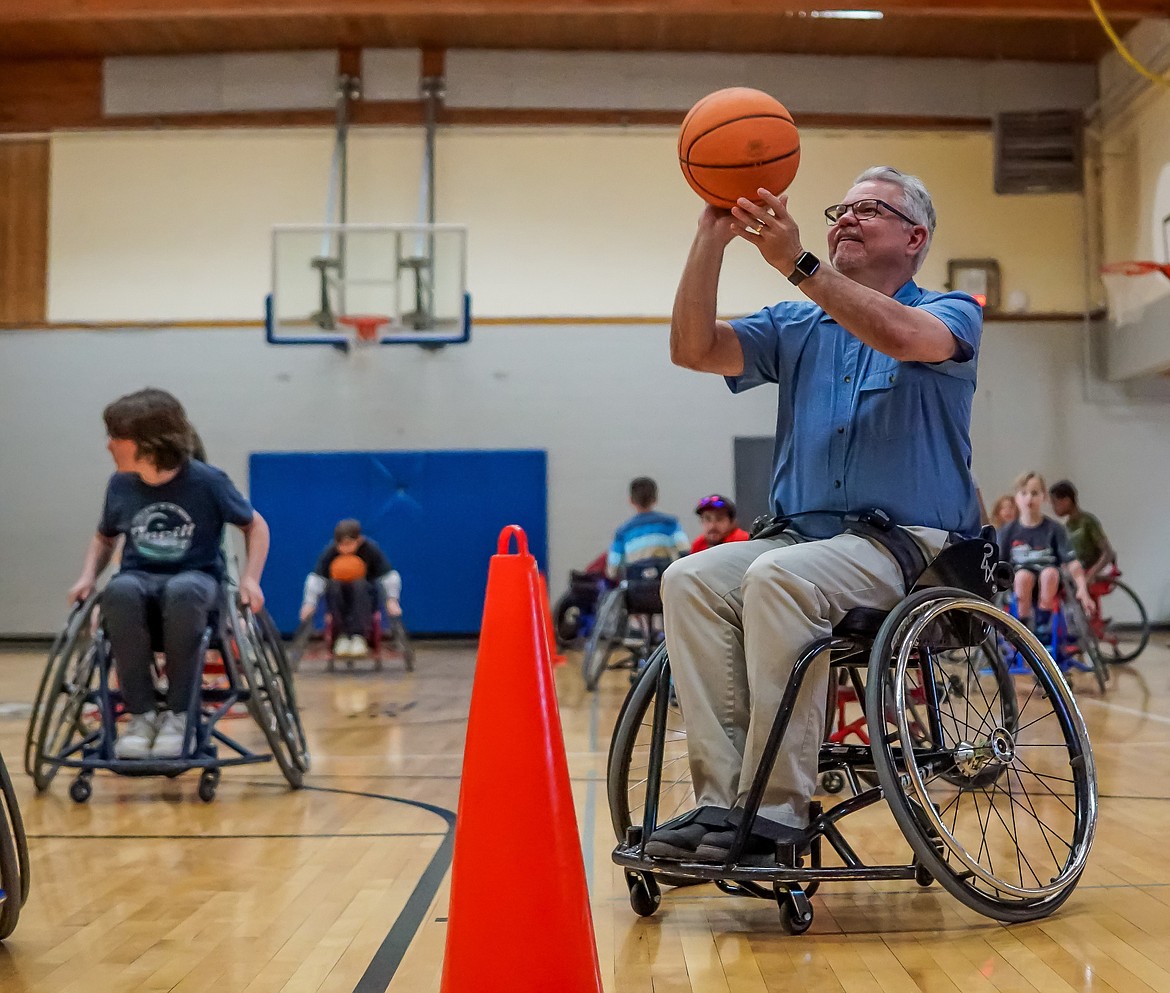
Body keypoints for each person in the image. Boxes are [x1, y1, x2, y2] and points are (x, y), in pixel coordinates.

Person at [647, 166, 982, 865]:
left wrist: (796, 263)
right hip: (803, 538)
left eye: (869, 209)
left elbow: (898, 336)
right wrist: (711, 238)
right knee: (689, 578)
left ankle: (775, 812)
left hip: (906, 549)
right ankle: (719, 801)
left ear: (914, 236)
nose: (845, 219)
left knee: (778, 577)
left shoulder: (950, 310)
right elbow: (690, 349)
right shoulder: (797, 325)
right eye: (840, 209)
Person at [69, 389, 269, 760]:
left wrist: (250, 580)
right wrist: (86, 577)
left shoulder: (207, 481)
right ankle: (142, 715)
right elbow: (105, 537)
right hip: (140, 580)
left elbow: (255, 526)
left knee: (184, 590)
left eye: (116, 437)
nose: (109, 445)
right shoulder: (121, 485)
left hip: (197, 582)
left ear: (147, 443)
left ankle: (180, 716)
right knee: (120, 591)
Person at [997, 471, 1092, 636]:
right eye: (1024, 493)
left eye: (1034, 493)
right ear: (1017, 498)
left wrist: (1082, 590)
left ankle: (1043, 624)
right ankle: (1023, 626)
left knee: (1049, 573)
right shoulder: (1007, 531)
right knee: (1023, 577)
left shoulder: (1054, 529)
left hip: (1049, 581)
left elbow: (1072, 562)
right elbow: (997, 565)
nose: (1029, 499)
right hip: (1019, 582)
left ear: (1044, 497)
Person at [299, 519, 401, 658]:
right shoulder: (331, 552)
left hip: (366, 598)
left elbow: (389, 576)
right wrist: (309, 603)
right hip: (338, 599)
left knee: (359, 585)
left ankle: (359, 637)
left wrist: (392, 599)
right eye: (341, 544)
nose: (344, 549)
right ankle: (341, 637)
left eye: (349, 544)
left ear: (359, 540)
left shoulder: (370, 550)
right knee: (334, 586)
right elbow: (317, 578)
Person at [605, 477, 690, 581]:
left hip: (636, 587)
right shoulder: (670, 523)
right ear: (655, 499)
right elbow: (685, 551)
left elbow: (612, 570)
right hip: (665, 583)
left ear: (631, 500)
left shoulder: (623, 532)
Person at [1048, 479, 1116, 583]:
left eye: (1055, 503)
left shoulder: (1087, 521)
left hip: (1095, 573)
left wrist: (1091, 575)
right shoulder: (1067, 526)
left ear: (1067, 500)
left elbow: (1108, 553)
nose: (1053, 508)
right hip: (1079, 574)